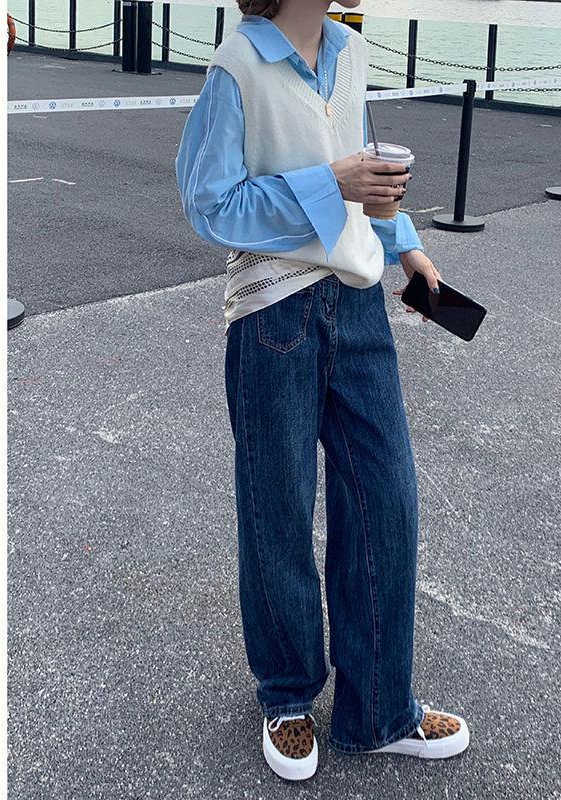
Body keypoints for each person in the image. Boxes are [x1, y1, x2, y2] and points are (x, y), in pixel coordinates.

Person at [175, 0, 470, 781]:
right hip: (275, 307)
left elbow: (363, 173)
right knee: (277, 509)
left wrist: (406, 246)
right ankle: (287, 695)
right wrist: (328, 182)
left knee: (386, 498)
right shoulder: (237, 66)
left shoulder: (350, 51)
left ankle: (379, 709)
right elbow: (210, 206)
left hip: (360, 300)